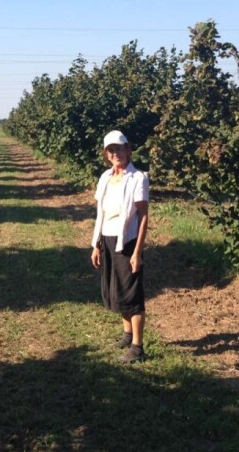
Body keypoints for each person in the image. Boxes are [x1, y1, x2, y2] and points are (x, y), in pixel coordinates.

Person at [90, 130, 149, 363]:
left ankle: (138, 348)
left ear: (128, 149)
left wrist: (137, 252)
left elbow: (143, 216)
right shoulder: (105, 177)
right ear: (107, 154)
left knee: (132, 293)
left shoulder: (138, 178)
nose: (116, 153)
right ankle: (127, 335)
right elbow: (101, 214)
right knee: (117, 289)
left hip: (127, 242)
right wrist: (96, 245)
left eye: (120, 148)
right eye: (111, 150)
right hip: (107, 239)